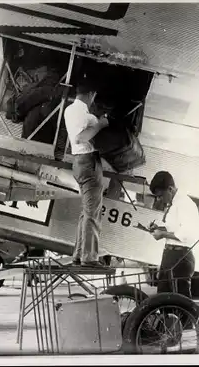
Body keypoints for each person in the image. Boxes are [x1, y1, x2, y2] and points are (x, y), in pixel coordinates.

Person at [64, 82, 110, 267]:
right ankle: (89, 258)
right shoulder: (83, 114)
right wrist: (101, 124)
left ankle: (79, 254)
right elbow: (80, 137)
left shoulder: (69, 110)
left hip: (78, 162)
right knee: (92, 213)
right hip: (88, 161)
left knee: (86, 212)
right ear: (91, 94)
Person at [148, 171, 199, 298]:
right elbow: (174, 227)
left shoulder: (185, 204)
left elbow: (187, 232)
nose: (159, 199)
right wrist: (159, 227)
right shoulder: (174, 204)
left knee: (180, 302)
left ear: (170, 189)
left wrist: (163, 234)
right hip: (170, 255)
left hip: (181, 256)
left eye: (160, 195)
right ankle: (167, 318)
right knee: (162, 298)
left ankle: (186, 318)